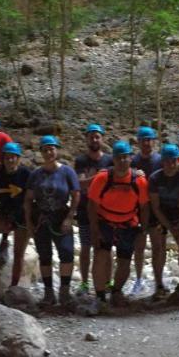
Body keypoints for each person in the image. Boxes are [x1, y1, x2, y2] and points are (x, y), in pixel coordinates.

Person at [88, 141, 150, 307]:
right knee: (101, 256)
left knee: (124, 260)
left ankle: (116, 291)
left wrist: (143, 230)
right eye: (119, 158)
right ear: (113, 160)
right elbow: (92, 205)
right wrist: (94, 229)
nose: (122, 161)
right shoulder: (102, 178)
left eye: (126, 157)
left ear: (131, 158)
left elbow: (144, 207)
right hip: (105, 222)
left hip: (128, 223)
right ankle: (100, 295)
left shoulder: (139, 181)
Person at [24, 135, 80, 305]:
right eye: (45, 149)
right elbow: (28, 200)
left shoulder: (67, 172)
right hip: (41, 218)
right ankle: (49, 293)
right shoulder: (36, 174)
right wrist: (29, 222)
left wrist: (70, 217)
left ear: (57, 150)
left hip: (61, 217)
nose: (49, 152)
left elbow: (76, 195)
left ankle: (64, 291)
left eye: (52, 149)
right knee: (45, 255)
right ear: (41, 152)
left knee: (67, 253)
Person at [0, 142, 32, 287]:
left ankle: (14, 286)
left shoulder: (26, 174)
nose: (10, 161)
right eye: (7, 158)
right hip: (4, 215)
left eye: (13, 158)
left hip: (22, 217)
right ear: (3, 159)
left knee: (18, 253)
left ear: (18, 159)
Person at [148, 143, 179, 302]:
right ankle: (159, 285)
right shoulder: (155, 178)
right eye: (167, 161)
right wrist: (169, 226)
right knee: (159, 247)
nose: (170, 165)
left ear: (177, 160)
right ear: (163, 161)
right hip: (160, 215)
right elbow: (156, 207)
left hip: (177, 213)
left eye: (173, 161)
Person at [73, 124, 112, 295]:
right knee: (85, 246)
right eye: (91, 136)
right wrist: (101, 177)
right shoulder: (81, 161)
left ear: (102, 138)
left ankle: (108, 281)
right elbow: (80, 184)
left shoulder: (110, 160)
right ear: (87, 139)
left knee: (106, 248)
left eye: (97, 136)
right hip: (84, 209)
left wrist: (92, 181)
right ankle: (84, 283)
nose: (95, 140)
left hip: (106, 210)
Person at [129, 126, 163, 293]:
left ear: (153, 141)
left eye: (149, 140)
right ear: (139, 142)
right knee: (139, 246)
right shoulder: (133, 161)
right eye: (143, 140)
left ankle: (159, 281)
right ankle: (138, 279)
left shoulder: (160, 159)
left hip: (156, 209)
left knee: (158, 246)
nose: (146, 143)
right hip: (138, 209)